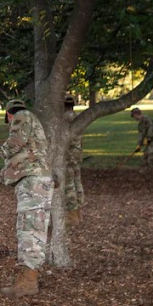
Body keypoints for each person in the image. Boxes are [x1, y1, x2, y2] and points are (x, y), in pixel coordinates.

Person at [0, 99, 53, 298]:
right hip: (35, 182)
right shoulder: (30, 126)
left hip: (33, 184)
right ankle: (27, 277)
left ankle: (28, 282)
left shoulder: (22, 116)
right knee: (30, 228)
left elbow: (15, 144)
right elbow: (19, 160)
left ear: (8, 114)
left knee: (30, 230)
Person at [64, 95, 85, 225]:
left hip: (68, 155)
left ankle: (72, 217)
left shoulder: (64, 118)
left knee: (69, 185)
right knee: (77, 183)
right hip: (77, 154)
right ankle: (79, 213)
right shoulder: (77, 117)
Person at [130, 107, 153, 173]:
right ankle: (143, 173)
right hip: (148, 143)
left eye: (133, 116)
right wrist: (139, 145)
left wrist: (148, 138)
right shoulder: (140, 124)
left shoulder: (147, 119)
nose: (133, 118)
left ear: (136, 114)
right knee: (144, 158)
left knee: (152, 158)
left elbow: (151, 129)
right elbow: (141, 135)